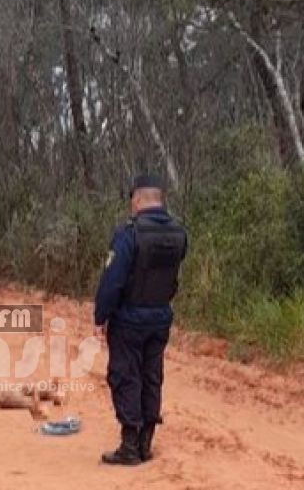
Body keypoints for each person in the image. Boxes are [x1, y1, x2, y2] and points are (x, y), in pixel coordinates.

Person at [93, 174, 188, 466]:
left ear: (137, 199)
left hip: (129, 318)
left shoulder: (129, 233)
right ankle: (147, 441)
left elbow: (113, 280)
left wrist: (101, 316)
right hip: (160, 316)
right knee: (151, 375)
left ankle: (130, 446)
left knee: (126, 376)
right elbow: (173, 278)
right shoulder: (179, 233)